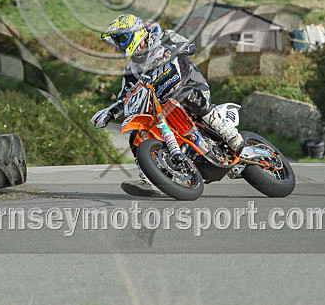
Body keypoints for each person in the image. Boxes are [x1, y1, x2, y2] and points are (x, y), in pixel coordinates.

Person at [91, 14, 244, 197]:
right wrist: (110, 112)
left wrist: (176, 50)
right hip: (163, 107)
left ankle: (230, 134)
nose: (119, 45)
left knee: (187, 96)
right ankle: (149, 179)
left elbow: (190, 46)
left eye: (122, 38)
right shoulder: (131, 70)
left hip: (191, 86)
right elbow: (125, 97)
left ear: (137, 33)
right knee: (137, 134)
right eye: (117, 41)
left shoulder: (164, 38)